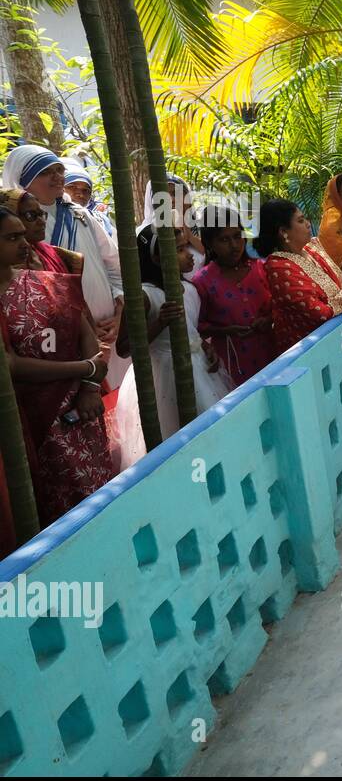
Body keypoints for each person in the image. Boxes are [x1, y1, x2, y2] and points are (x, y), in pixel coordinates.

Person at [0, 206, 115, 524]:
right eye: (12, 237)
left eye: (23, 235)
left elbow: (85, 334)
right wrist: (83, 370)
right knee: (59, 511)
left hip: (81, 411)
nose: (23, 243)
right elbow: (9, 365)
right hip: (30, 421)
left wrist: (90, 387)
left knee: (100, 495)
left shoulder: (49, 283)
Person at [115, 228, 235, 465]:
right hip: (163, 375)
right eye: (180, 250)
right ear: (157, 258)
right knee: (175, 438)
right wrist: (159, 323)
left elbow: (191, 329)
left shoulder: (189, 289)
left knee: (210, 432)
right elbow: (124, 348)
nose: (190, 255)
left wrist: (205, 347)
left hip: (197, 367)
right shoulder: (144, 296)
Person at [2, 146, 124, 377]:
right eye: (46, 172)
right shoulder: (14, 228)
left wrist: (119, 309)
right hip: (57, 337)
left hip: (110, 328)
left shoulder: (80, 214)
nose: (58, 177)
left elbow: (114, 265)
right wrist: (83, 327)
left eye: (59, 169)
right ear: (22, 178)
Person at [254, 199, 342, 354]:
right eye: (300, 220)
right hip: (310, 351)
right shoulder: (279, 267)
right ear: (283, 232)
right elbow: (318, 313)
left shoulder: (311, 248)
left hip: (337, 338)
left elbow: (335, 287)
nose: (308, 224)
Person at [192, 205, 275, 386]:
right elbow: (197, 326)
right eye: (224, 239)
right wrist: (225, 330)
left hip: (273, 354)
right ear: (210, 243)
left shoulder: (262, 268)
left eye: (238, 236)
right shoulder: (202, 281)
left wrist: (269, 318)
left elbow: (281, 306)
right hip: (232, 363)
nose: (234, 246)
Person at [0, 188, 79, 274]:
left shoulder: (55, 254)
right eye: (31, 215)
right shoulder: (5, 270)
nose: (42, 221)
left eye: (41, 214)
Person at [60, 158, 115, 241]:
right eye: (72, 187)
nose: (81, 194)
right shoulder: (47, 217)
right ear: (60, 187)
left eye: (86, 190)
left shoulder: (100, 221)